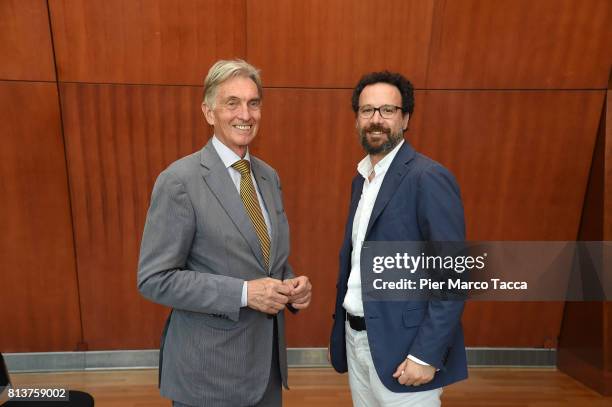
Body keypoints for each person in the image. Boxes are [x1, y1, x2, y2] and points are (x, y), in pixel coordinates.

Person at [138, 59, 311, 407]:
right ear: (208, 112)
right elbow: (155, 279)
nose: (245, 114)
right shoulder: (179, 181)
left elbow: (267, 258)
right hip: (209, 375)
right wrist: (245, 293)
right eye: (232, 102)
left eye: (253, 102)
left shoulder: (268, 176)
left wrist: (291, 286)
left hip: (266, 372)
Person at [329, 71, 467, 406]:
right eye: (367, 111)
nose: (376, 120)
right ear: (357, 119)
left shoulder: (428, 177)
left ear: (405, 118)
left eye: (387, 111)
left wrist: (425, 355)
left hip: (406, 349)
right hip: (357, 340)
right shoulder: (362, 179)